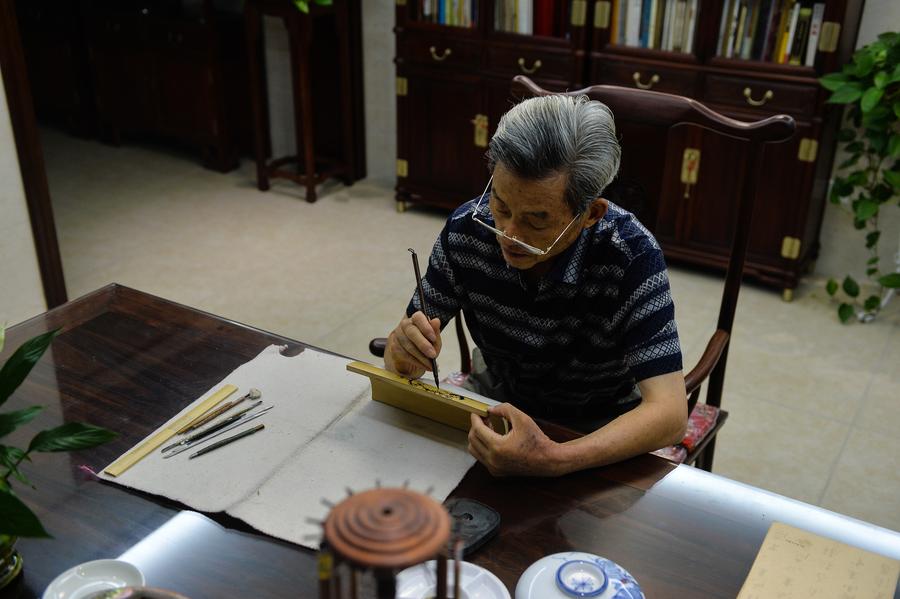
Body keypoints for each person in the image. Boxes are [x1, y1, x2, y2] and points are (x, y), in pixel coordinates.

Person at [384, 94, 687, 477]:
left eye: (536, 220)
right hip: (496, 398)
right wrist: (402, 353)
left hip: (597, 423)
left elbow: (670, 415)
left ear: (591, 214)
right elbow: (405, 347)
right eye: (501, 205)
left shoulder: (630, 255)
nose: (508, 234)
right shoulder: (468, 230)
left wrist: (555, 459)